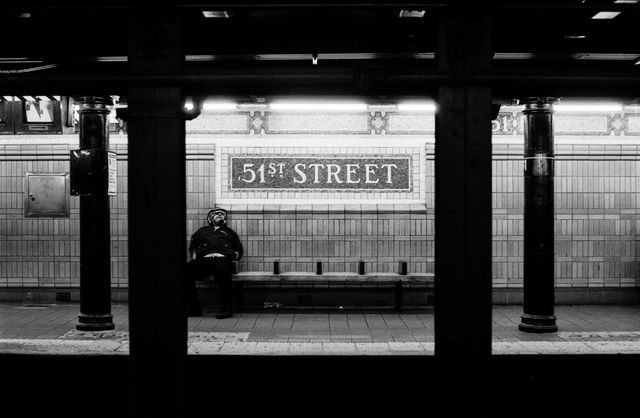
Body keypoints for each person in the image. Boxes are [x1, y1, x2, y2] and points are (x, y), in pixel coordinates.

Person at [185, 207, 243, 319]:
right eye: (216, 214)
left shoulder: (229, 232)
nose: (220, 215)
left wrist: (232, 255)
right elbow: (193, 246)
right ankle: (194, 308)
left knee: (222, 274)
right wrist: (194, 254)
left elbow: (239, 250)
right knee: (186, 271)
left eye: (222, 214)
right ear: (210, 218)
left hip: (222, 258)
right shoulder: (202, 231)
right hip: (205, 259)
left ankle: (225, 308)